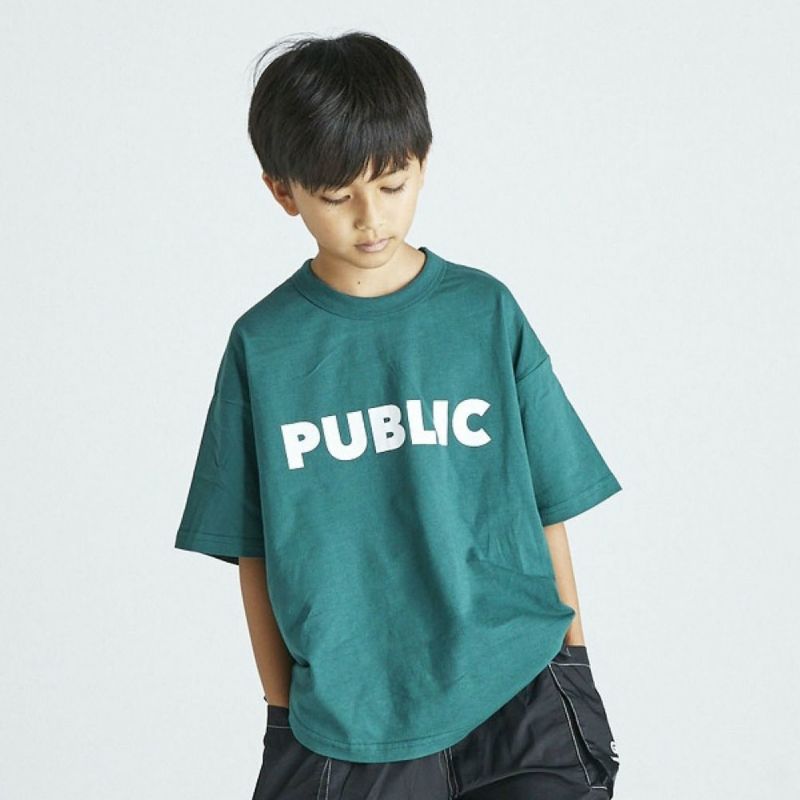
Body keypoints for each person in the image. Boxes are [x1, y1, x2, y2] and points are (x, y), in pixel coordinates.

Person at [174, 30, 623, 800]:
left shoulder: (484, 311)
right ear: (283, 192)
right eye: (336, 196)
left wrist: (573, 663)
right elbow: (253, 551)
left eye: (392, 184)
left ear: (422, 163)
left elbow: (548, 506)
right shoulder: (264, 347)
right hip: (351, 723)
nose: (371, 218)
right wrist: (284, 714)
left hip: (519, 687)